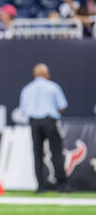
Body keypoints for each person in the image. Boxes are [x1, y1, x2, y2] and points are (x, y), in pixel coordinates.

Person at [19, 63, 70, 193]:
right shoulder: (53, 87)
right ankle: (62, 185)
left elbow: (23, 109)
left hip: (34, 123)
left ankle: (40, 187)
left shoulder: (27, 89)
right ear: (46, 73)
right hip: (50, 121)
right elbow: (62, 106)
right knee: (57, 153)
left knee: (37, 154)